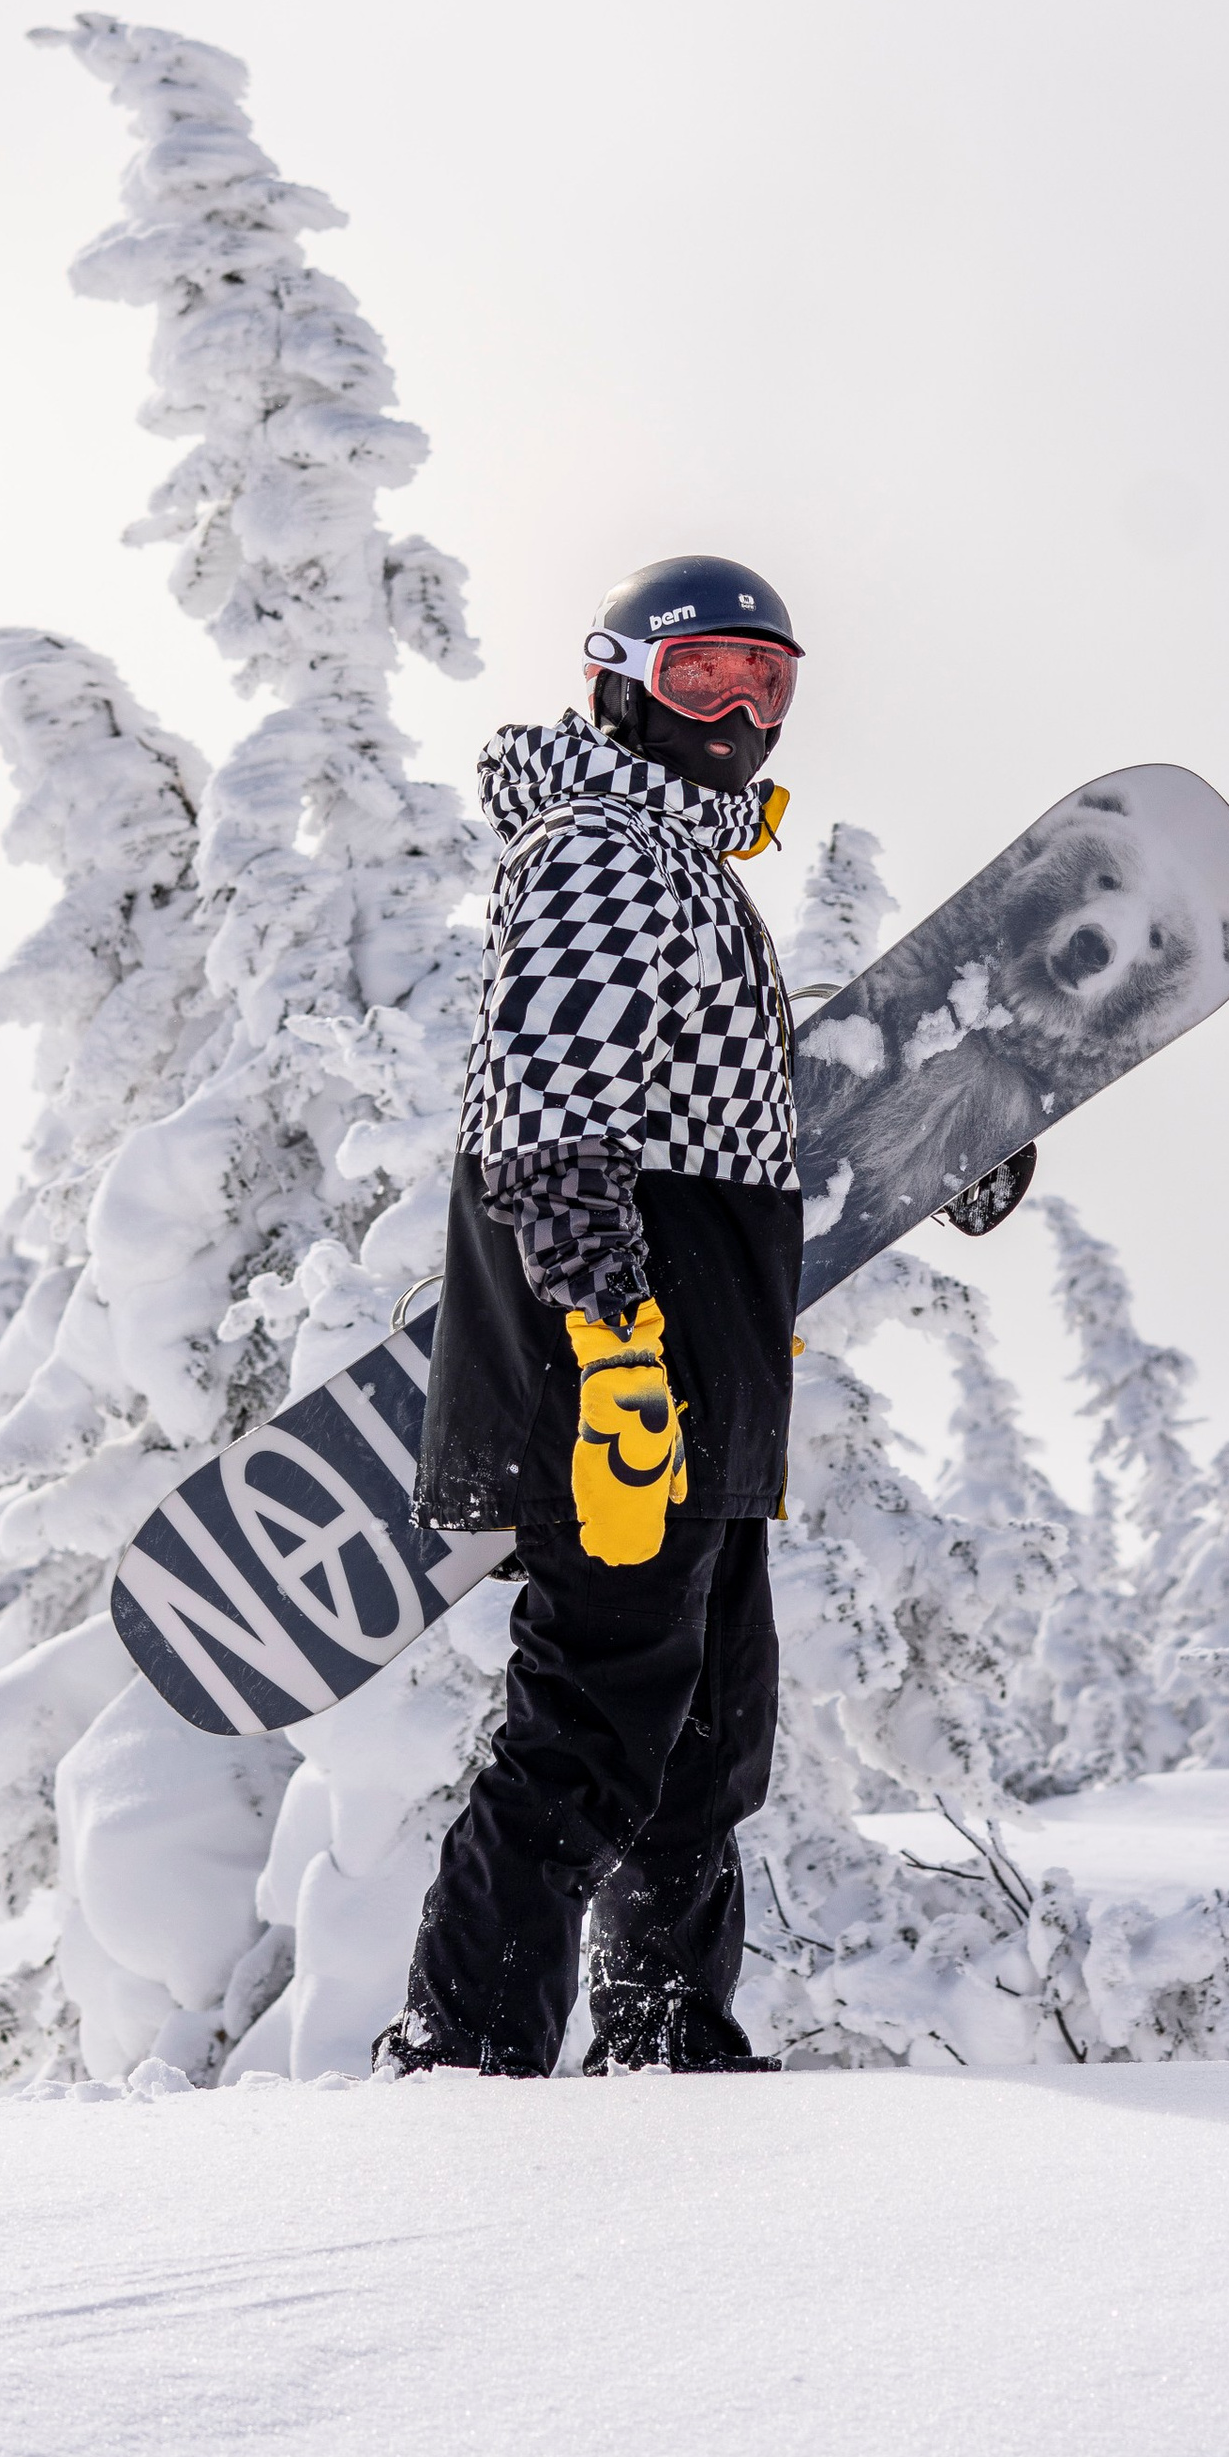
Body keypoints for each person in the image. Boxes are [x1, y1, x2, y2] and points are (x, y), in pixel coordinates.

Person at [377, 555, 803, 2078]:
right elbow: (546, 1115)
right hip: (625, 1378)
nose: (738, 710)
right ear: (617, 680)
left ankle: (668, 2048)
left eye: (766, 679)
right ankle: (461, 2059)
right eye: (703, 677)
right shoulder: (608, 852)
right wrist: (615, 1350)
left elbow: (700, 1115)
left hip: (704, 1378)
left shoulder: (683, 866)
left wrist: (942, 1135)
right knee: (592, 1728)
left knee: (701, 1743)